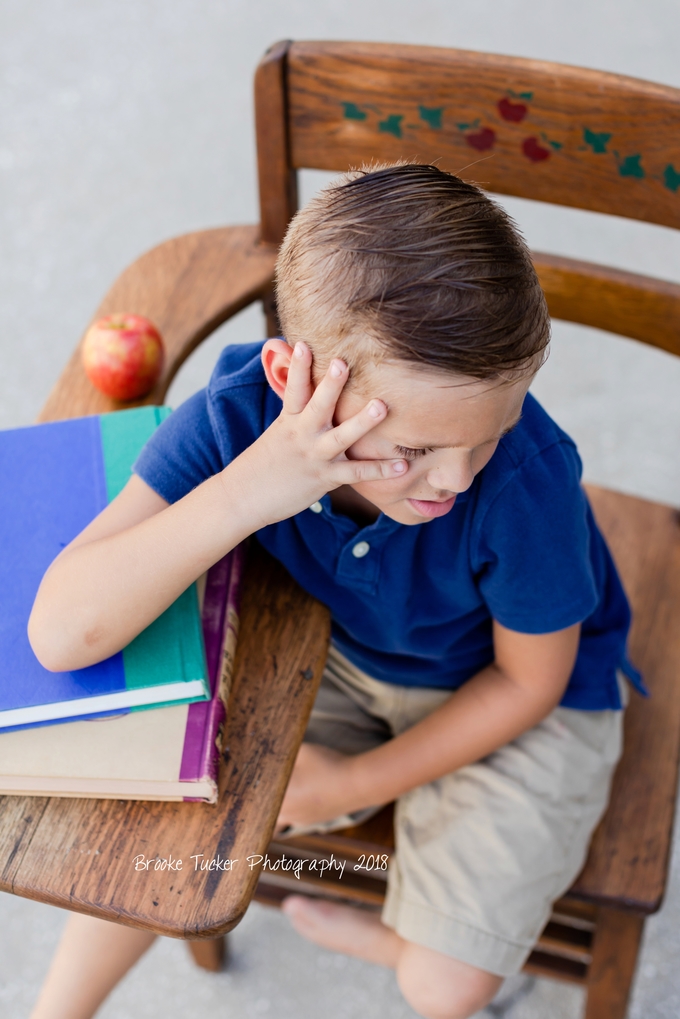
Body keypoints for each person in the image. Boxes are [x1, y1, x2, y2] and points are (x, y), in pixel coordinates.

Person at [27, 164, 640, 1019]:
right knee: (156, 838)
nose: (455, 480)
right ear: (292, 381)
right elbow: (61, 631)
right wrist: (252, 488)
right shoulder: (241, 418)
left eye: (488, 432)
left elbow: (530, 681)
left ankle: (393, 937)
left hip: (510, 691)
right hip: (344, 657)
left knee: (445, 987)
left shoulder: (524, 480)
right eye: (417, 447)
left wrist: (349, 786)